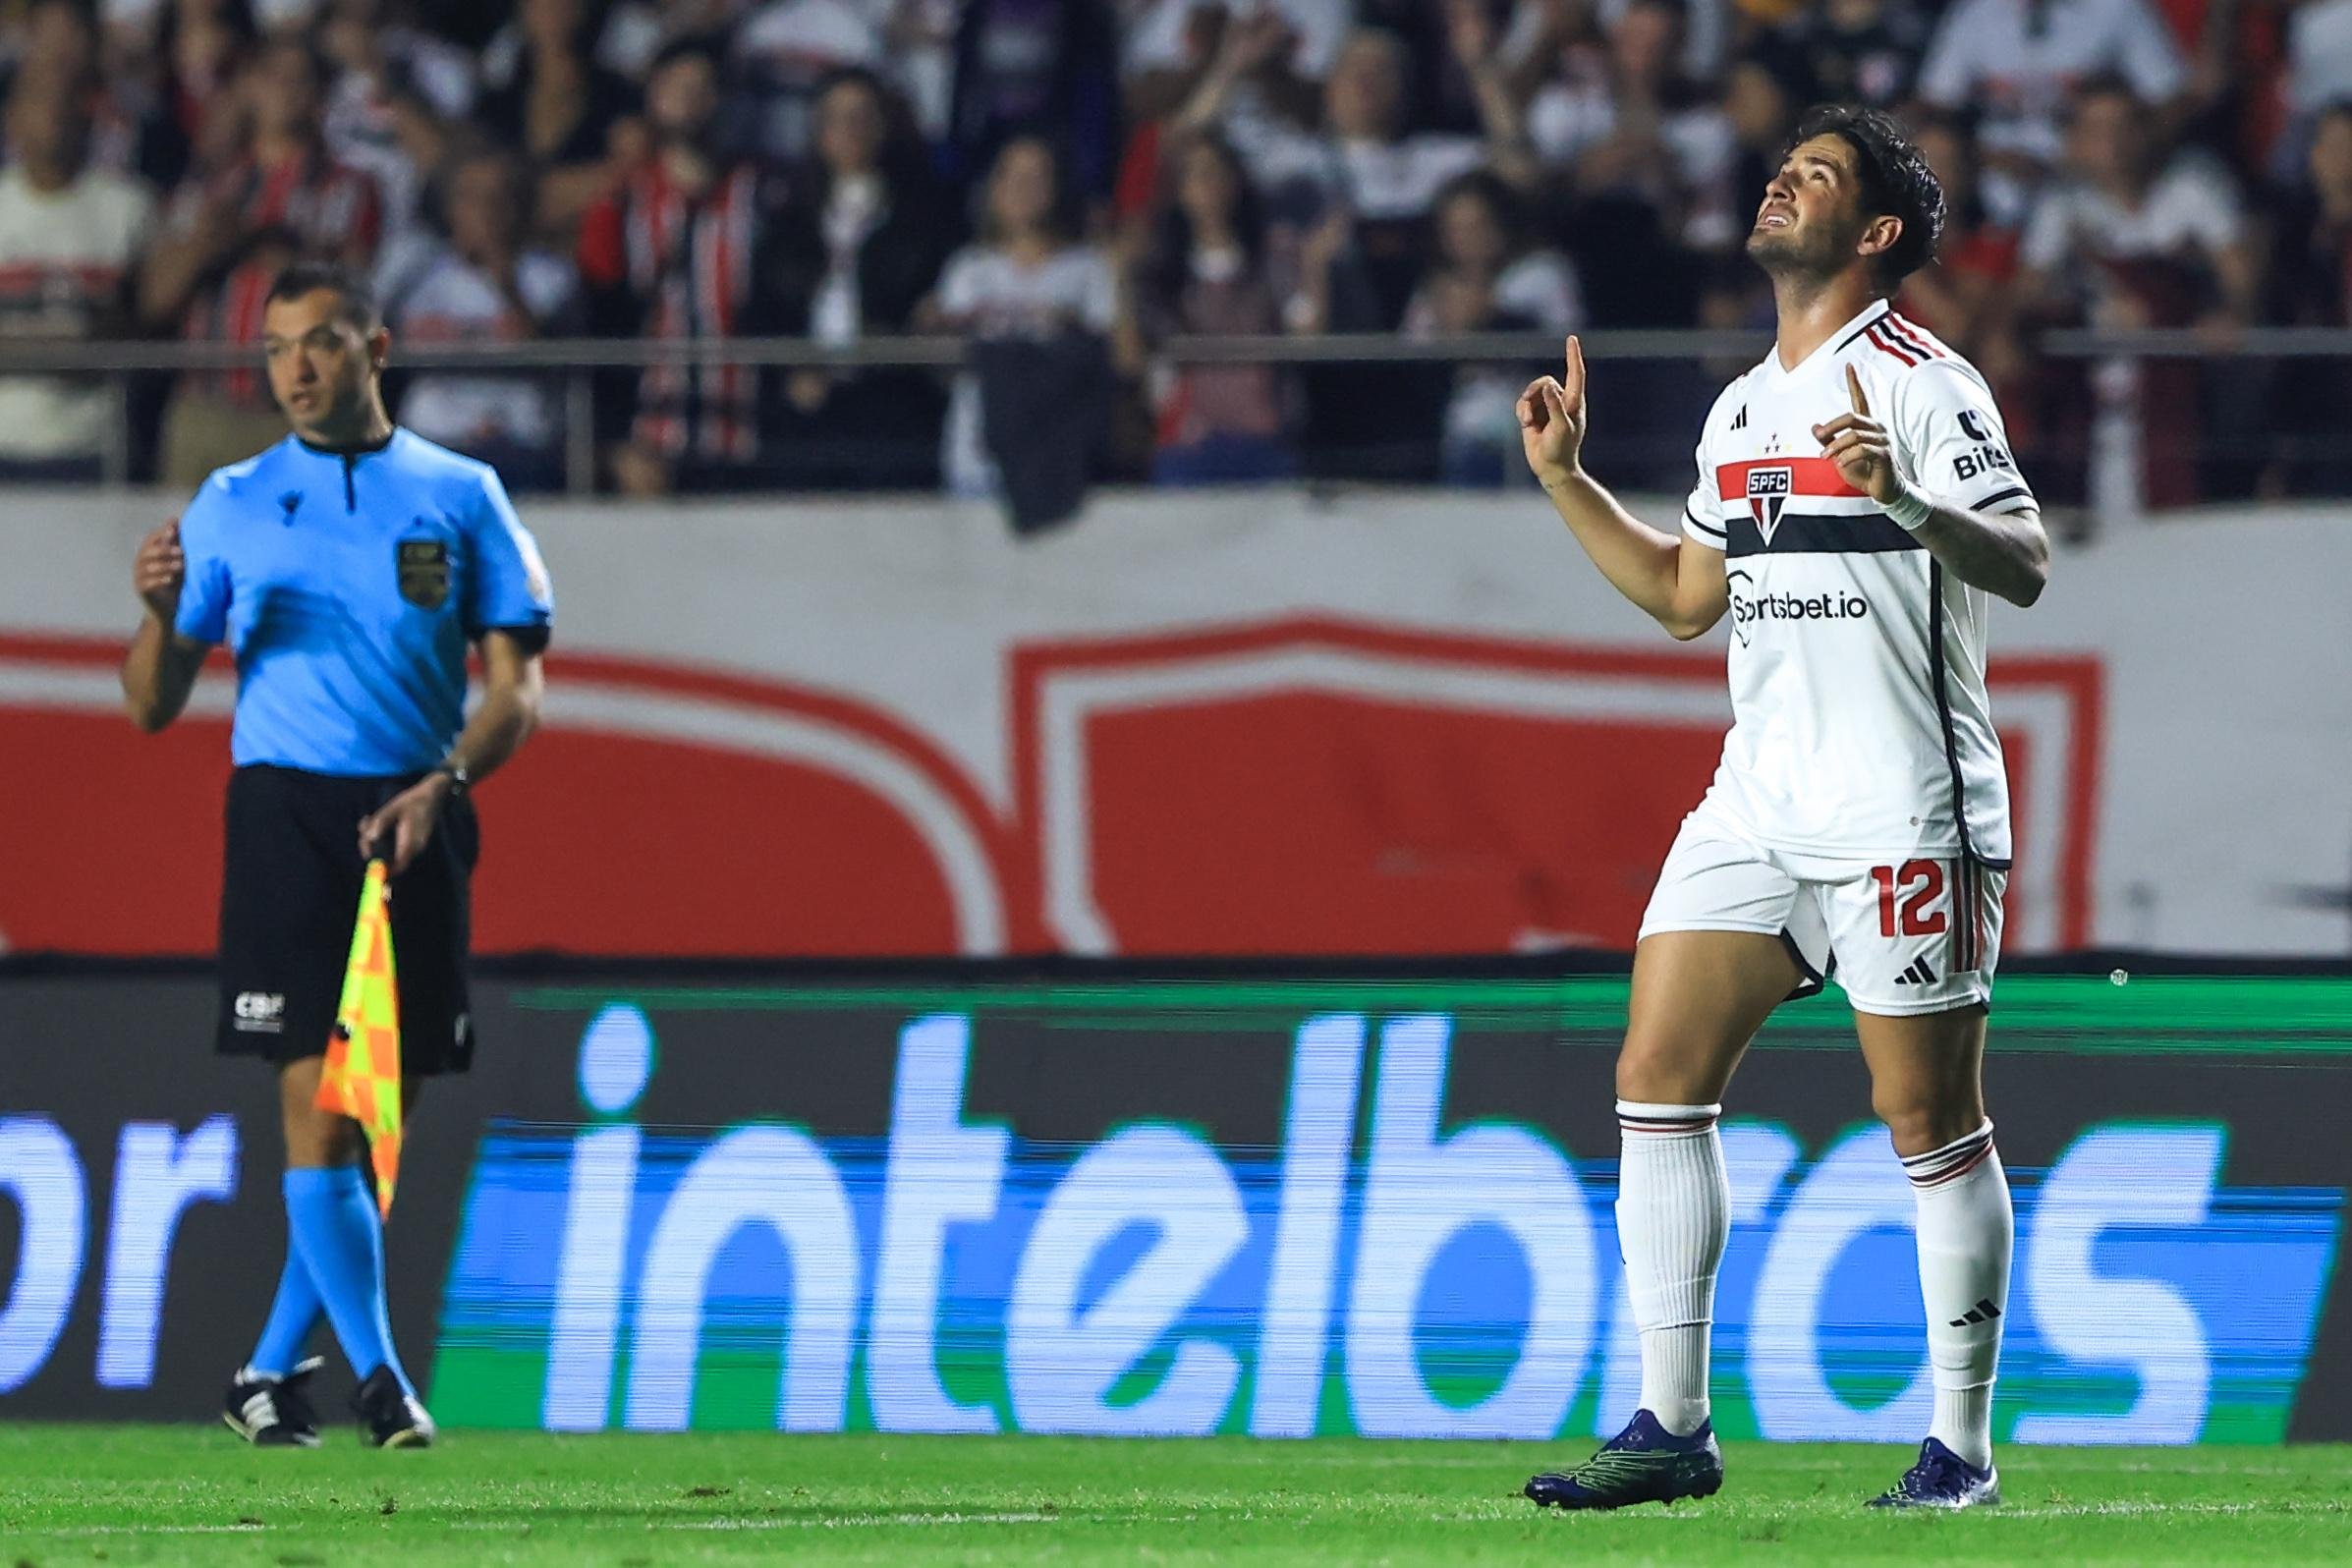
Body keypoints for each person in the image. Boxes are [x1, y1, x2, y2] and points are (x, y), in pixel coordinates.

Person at [1513, 104, 2047, 1511]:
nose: (1776, 183)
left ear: (1871, 234)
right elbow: (1691, 599)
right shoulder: (1741, 406)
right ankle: (1670, 1427)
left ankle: (1959, 1453)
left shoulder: (1928, 385)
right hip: (1757, 800)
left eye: (1810, 176)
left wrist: (1915, 507)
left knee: (1922, 1114)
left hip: (1903, 806)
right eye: (1780, 167)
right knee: (1652, 1076)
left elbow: (2029, 561)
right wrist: (1568, 484)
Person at [119, 258, 553, 1448]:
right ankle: (381, 1384)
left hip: (419, 807)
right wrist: (161, 615)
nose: (293, 369)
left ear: (377, 348)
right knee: (316, 1106)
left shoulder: (460, 495)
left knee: (380, 1126)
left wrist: (444, 784)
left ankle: (263, 1374)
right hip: (288, 816)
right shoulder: (236, 498)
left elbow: (517, 691)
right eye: (274, 350)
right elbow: (151, 704)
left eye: (317, 343)